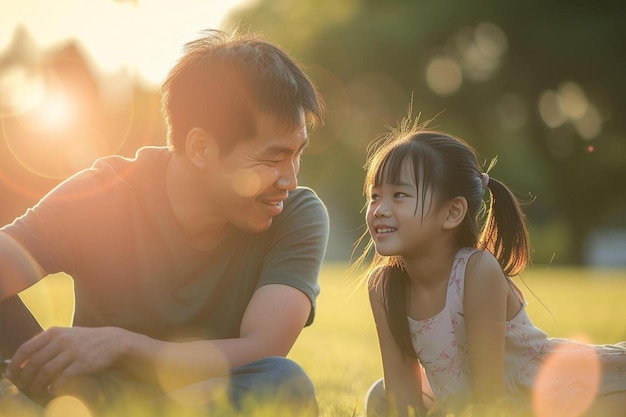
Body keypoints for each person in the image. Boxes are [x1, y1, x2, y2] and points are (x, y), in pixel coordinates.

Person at [0, 28, 329, 416]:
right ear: (201, 148)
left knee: (282, 381)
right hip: (86, 399)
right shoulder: (104, 195)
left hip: (206, 398)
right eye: (273, 159)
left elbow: (262, 350)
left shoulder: (297, 215)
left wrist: (123, 344)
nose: (290, 180)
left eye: (296, 155)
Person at [355, 116, 626, 417]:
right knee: (380, 399)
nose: (379, 209)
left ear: (453, 211)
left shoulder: (476, 271)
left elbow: (488, 397)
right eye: (374, 196)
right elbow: (401, 400)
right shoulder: (384, 286)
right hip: (469, 403)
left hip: (548, 392)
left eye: (400, 195)